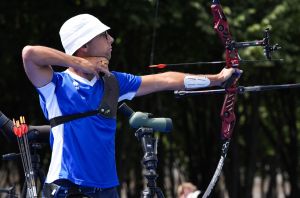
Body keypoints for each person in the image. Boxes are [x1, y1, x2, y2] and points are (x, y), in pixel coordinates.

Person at [22, 14, 240, 198]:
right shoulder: (55, 85)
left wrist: (217, 78)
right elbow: (29, 54)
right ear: (84, 45)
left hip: (107, 189)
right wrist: (79, 63)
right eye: (104, 35)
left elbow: (166, 80)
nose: (112, 39)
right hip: (66, 186)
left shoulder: (113, 82)